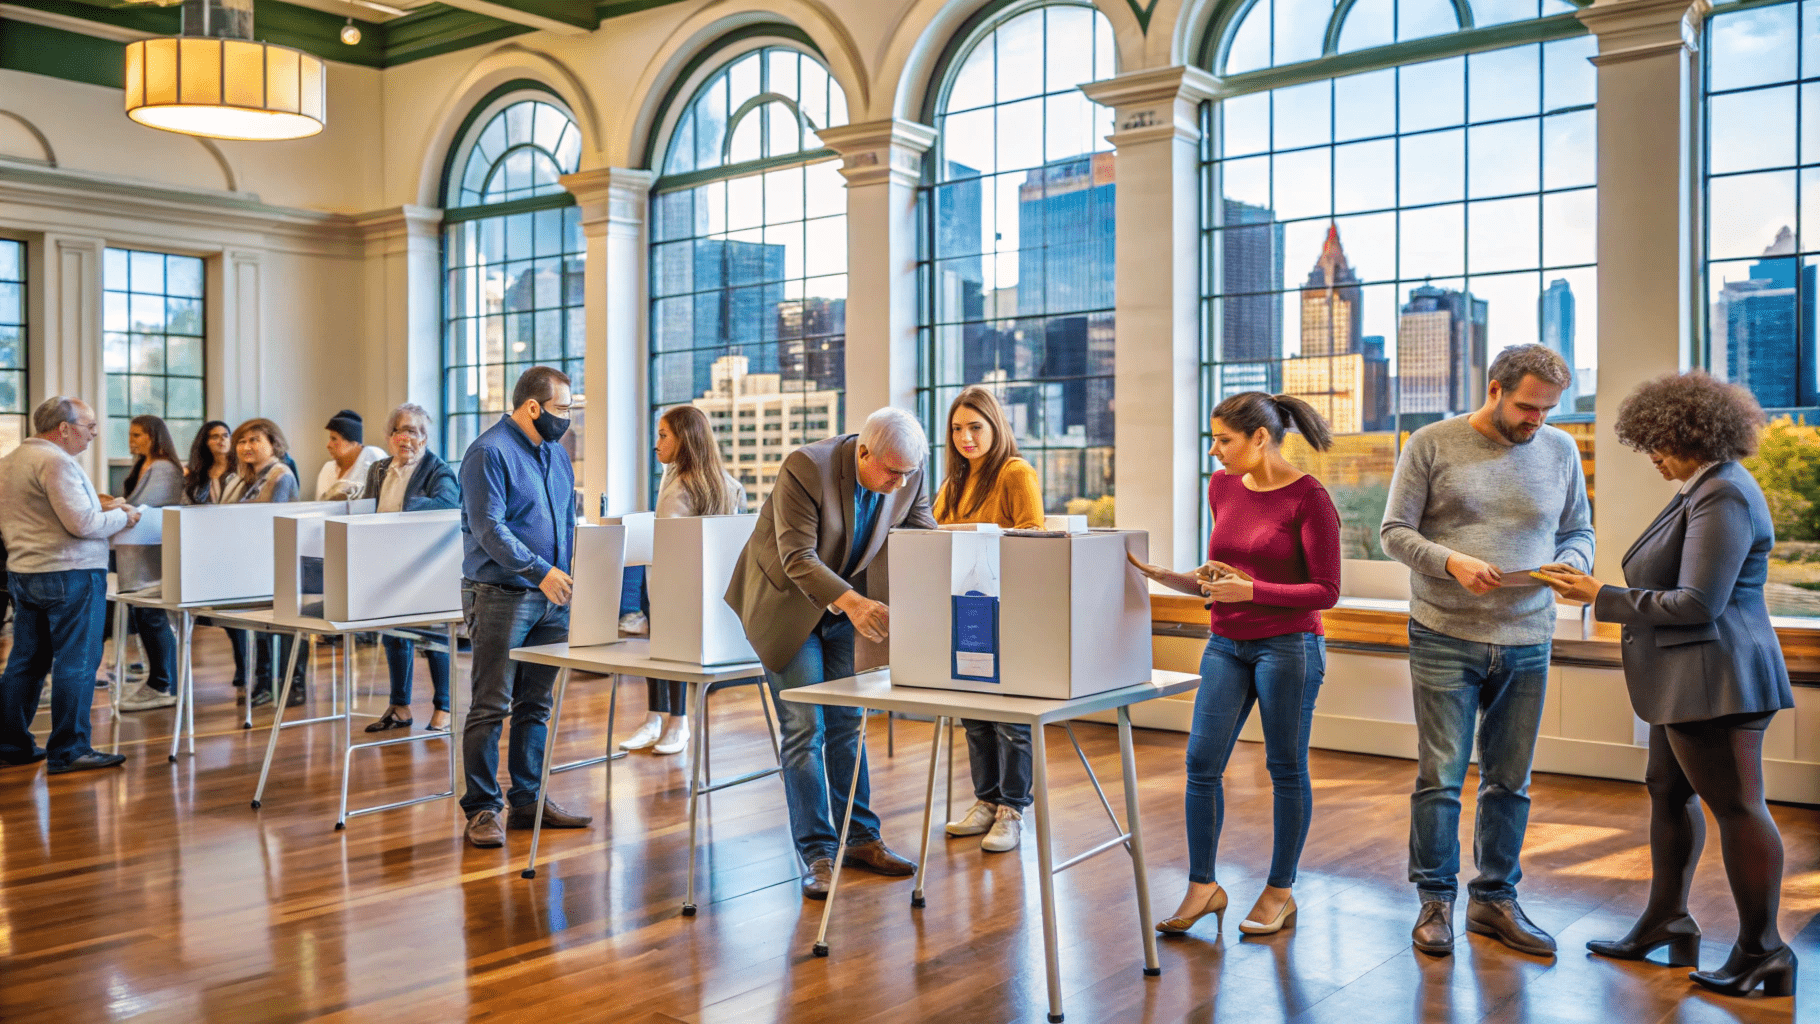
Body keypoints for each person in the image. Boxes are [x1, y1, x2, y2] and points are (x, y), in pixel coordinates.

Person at [1536, 372, 1797, 997]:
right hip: (1683, 680)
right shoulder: (1699, 488)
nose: (1651, 453)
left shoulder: (1724, 494)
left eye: (1658, 440)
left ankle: (1764, 949)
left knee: (1738, 808)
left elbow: (1698, 603)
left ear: (1692, 432)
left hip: (1719, 680)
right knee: (1666, 791)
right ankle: (1668, 920)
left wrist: (1601, 595)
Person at [1379, 343, 1593, 958]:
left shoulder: (1559, 449)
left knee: (1511, 781)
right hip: (1445, 632)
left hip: (1529, 636)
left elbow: (1578, 526)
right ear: (1495, 389)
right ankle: (1435, 902)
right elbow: (1393, 533)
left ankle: (1495, 902)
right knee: (1441, 778)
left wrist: (1575, 561)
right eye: (1528, 408)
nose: (1538, 422)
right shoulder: (1431, 444)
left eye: (1549, 410)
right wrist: (1451, 561)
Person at [726, 407, 938, 900]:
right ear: (863, 452)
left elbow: (922, 537)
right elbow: (797, 557)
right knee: (806, 727)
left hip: (845, 608)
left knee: (849, 721)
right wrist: (855, 602)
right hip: (785, 603)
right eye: (890, 472)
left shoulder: (908, 470)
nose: (899, 482)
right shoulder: (806, 467)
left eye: (907, 474)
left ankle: (861, 838)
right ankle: (817, 852)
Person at [1154, 392, 1342, 939]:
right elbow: (1228, 570)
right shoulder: (1222, 487)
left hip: (1289, 647)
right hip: (1225, 644)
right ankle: (1203, 887)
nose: (1214, 451)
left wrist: (1251, 588)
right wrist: (1182, 579)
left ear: (1260, 438)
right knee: (1200, 763)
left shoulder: (1310, 499)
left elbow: (1326, 591)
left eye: (1224, 440)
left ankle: (1280, 892)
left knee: (1285, 767)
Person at [458, 366, 589, 848]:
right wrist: (540, 570)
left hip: (553, 597)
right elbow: (489, 529)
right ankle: (482, 809)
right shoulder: (488, 453)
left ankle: (529, 801)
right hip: (500, 595)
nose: (567, 418)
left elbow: (567, 521)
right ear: (532, 407)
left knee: (536, 705)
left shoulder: (556, 454)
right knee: (491, 705)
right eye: (561, 409)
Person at [0, 397, 139, 773]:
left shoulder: (10, 461)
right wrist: (125, 517)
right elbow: (83, 525)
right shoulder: (56, 462)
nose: (94, 434)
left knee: (26, 662)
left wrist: (101, 512)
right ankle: (71, 750)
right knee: (77, 662)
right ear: (64, 428)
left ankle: (9, 743)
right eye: (89, 426)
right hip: (69, 573)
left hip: (26, 572)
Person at [934, 386, 1043, 853]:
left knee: (1011, 720)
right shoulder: (952, 483)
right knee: (974, 716)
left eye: (975, 426)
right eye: (957, 429)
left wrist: (973, 534)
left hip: (1008, 609)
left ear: (996, 426)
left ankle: (1012, 809)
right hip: (965, 610)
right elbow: (931, 536)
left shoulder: (1015, 473)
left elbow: (1035, 537)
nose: (966, 437)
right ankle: (985, 800)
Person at [620, 405, 745, 757]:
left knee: (675, 653)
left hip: (682, 584)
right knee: (658, 652)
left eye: (663, 436)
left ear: (685, 440)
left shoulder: (712, 487)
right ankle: (656, 717)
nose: (656, 444)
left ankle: (677, 720)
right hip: (664, 580)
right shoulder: (675, 477)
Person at [362, 403, 460, 734]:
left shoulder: (438, 470)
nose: (407, 437)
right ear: (389, 437)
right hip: (388, 563)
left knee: (434, 638)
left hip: (427, 568)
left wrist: (403, 508)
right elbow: (366, 508)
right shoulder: (378, 469)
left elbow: (448, 506)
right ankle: (400, 706)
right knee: (394, 635)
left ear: (425, 437)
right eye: (400, 430)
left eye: (414, 431)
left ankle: (444, 707)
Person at [222, 419, 305, 707]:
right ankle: (262, 682)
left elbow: (266, 523)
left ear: (274, 444)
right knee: (255, 630)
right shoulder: (240, 477)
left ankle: (281, 685)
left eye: (255, 440)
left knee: (275, 629)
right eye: (242, 441)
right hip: (248, 562)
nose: (246, 446)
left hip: (273, 563)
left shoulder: (280, 476)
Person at [112, 416, 185, 713]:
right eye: (130, 434)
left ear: (155, 436)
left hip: (151, 551)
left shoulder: (164, 468)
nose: (132, 439)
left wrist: (115, 505)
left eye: (138, 434)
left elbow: (145, 509)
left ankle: (162, 683)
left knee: (153, 617)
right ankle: (157, 679)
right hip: (136, 550)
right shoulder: (144, 465)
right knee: (145, 617)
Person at [315, 410, 387, 500]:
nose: (328, 445)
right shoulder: (327, 469)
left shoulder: (374, 459)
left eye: (334, 439)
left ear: (354, 442)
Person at [182, 420, 234, 505]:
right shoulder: (194, 472)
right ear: (205, 442)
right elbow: (186, 502)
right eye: (215, 437)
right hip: (199, 516)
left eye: (225, 435)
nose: (222, 440)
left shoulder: (240, 469)